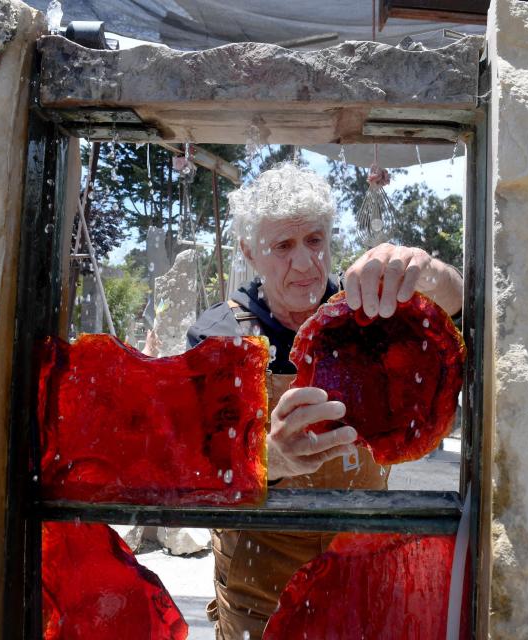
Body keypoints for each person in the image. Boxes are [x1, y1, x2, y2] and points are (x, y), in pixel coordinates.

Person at [186, 163, 463, 640]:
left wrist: (431, 273)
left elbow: (458, 302)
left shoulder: (373, 309)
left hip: (362, 574)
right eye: (283, 246)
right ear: (250, 252)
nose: (304, 263)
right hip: (258, 594)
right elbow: (195, 472)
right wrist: (268, 461)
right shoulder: (218, 337)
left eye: (314, 241)